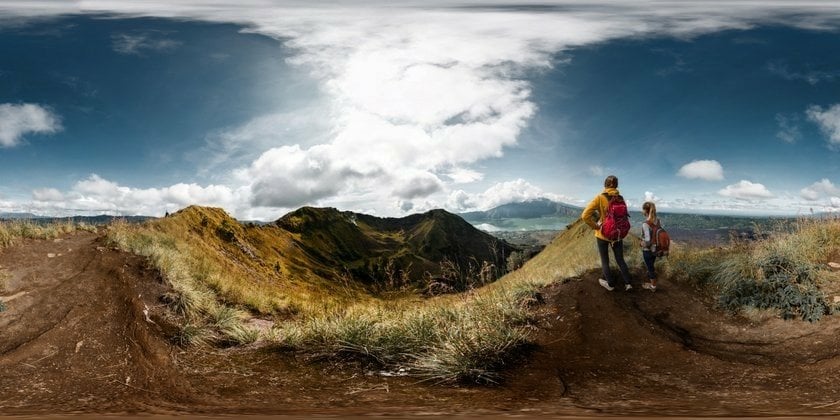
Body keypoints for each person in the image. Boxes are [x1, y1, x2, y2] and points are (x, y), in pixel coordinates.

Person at [581, 175, 633, 291]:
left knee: (605, 260)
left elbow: (585, 216)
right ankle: (628, 283)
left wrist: (596, 226)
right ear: (616, 185)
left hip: (603, 234)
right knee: (620, 259)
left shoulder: (600, 197)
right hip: (618, 234)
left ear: (605, 185)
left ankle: (610, 284)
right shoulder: (621, 198)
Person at [640, 201, 660, 291]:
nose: (642, 211)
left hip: (648, 250)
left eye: (643, 210)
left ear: (645, 211)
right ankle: (652, 279)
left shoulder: (645, 224)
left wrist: (642, 243)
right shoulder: (657, 221)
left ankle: (653, 286)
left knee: (650, 268)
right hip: (655, 249)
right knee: (651, 265)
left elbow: (648, 241)